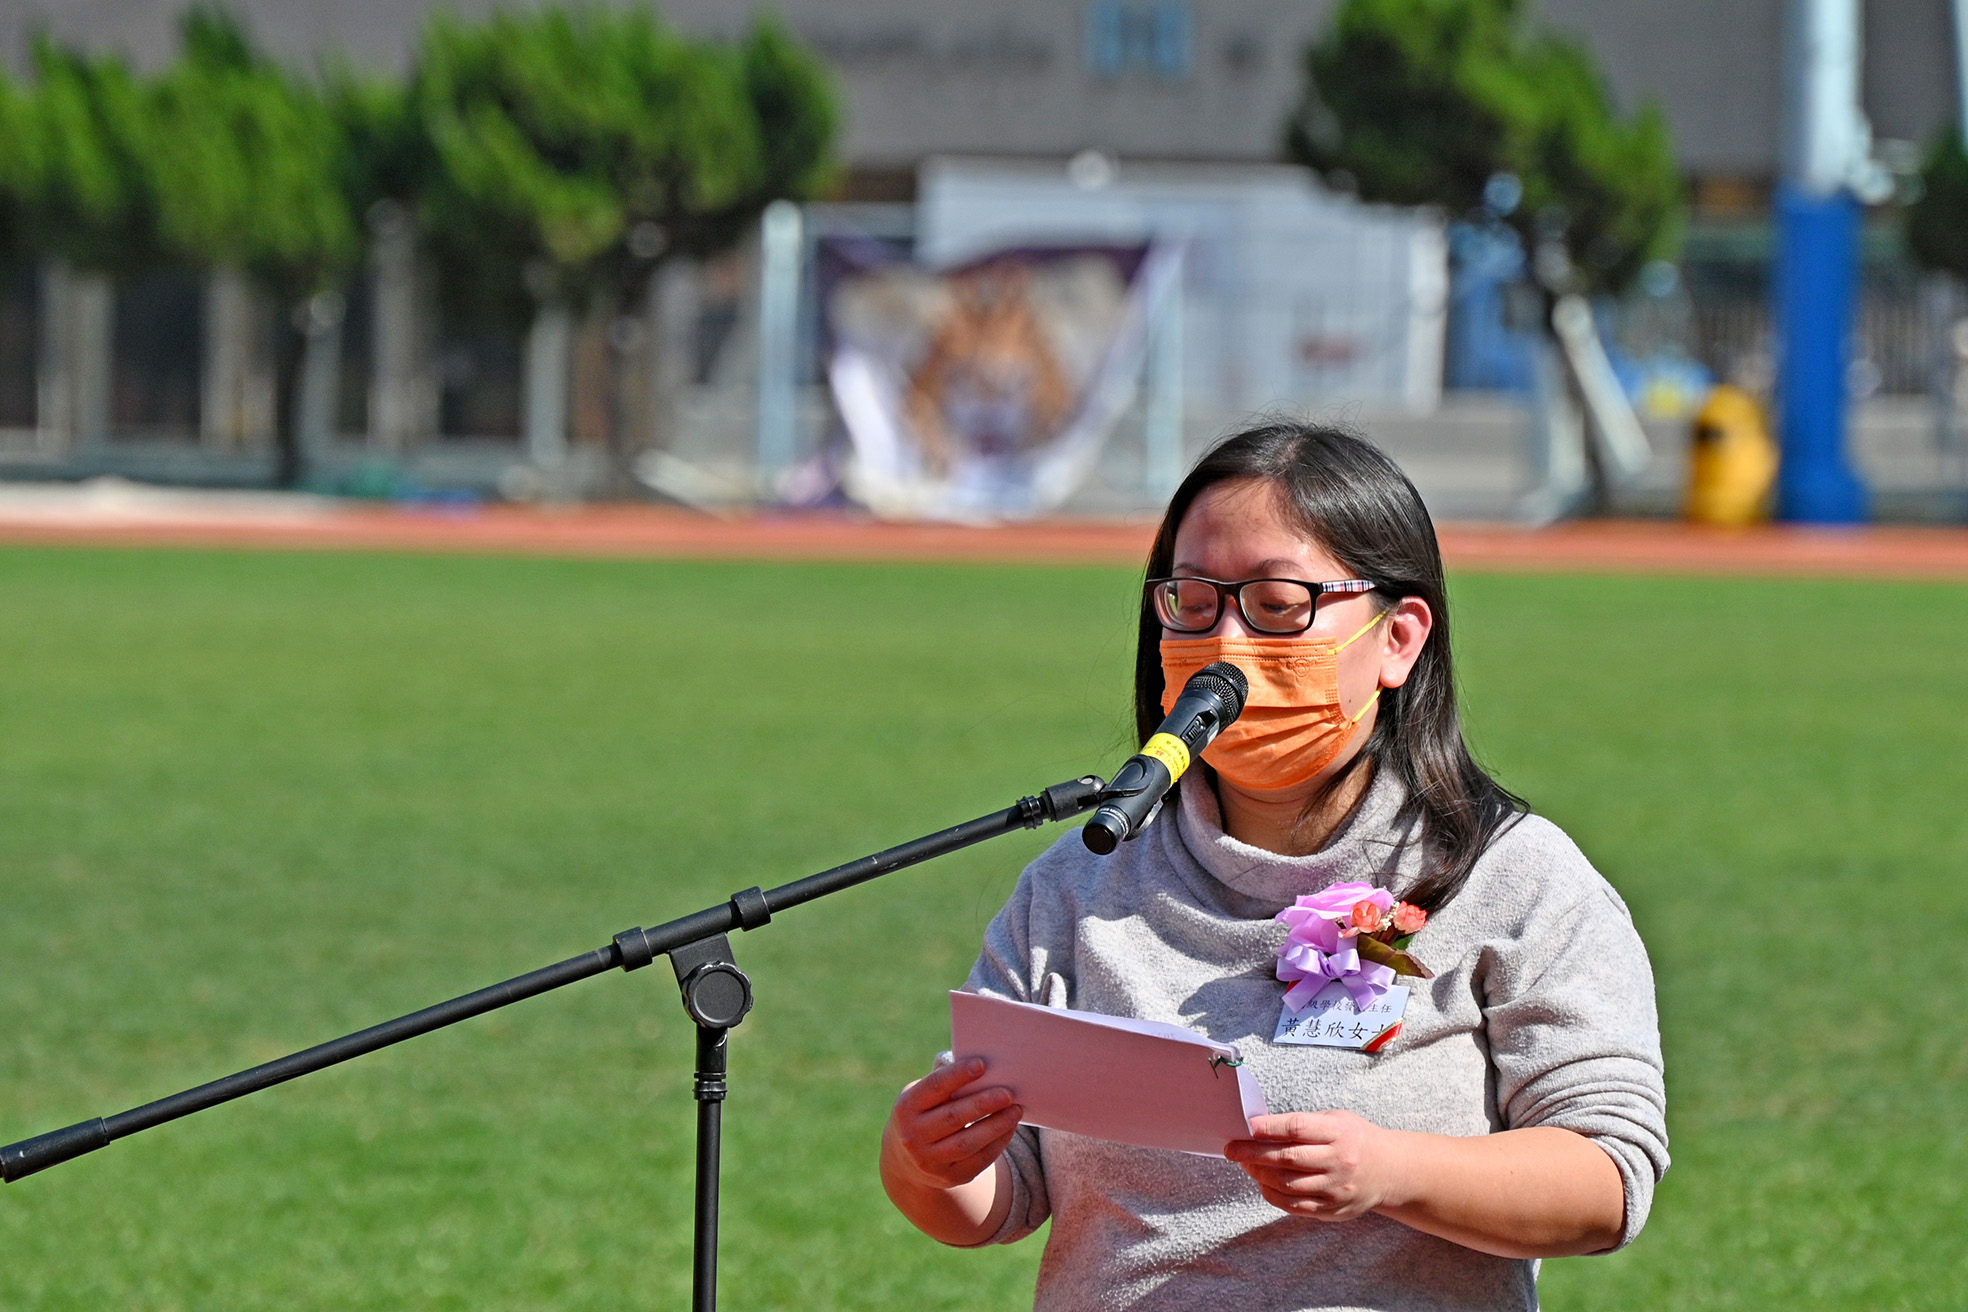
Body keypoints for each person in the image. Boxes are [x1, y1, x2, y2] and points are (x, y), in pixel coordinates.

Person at [878, 422, 1668, 1311]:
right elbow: (1000, 1193)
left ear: (1399, 639)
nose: (1226, 642)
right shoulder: (1082, 882)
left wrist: (1392, 1172)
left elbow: (1609, 1176)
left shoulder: (1515, 876)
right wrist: (924, 1159)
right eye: (1192, 600)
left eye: (1278, 603)